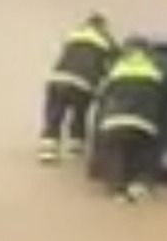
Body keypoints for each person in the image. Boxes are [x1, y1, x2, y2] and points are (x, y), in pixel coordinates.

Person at [94, 40, 167, 203]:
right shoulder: (158, 70)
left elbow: (101, 97)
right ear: (148, 52)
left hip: (114, 120)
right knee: (145, 151)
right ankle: (139, 185)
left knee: (116, 152)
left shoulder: (115, 69)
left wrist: (101, 124)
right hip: (145, 120)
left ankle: (117, 190)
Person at [39, 12, 121, 163]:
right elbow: (116, 64)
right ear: (102, 26)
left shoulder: (74, 34)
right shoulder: (106, 40)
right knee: (80, 113)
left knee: (54, 114)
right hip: (83, 82)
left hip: (58, 78)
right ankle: (75, 148)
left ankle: (48, 150)